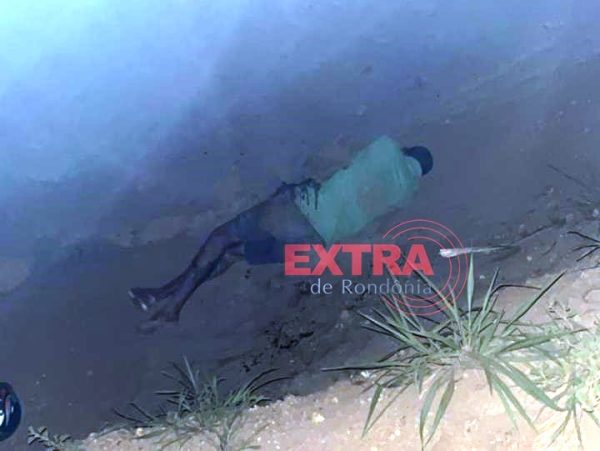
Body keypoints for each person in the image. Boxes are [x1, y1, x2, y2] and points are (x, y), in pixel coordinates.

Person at [129, 136, 433, 332]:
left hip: (298, 212)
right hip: (315, 248)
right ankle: (163, 294)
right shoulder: (405, 194)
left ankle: (172, 306)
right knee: (233, 255)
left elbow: (382, 149)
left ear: (409, 153)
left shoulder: (387, 150)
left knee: (221, 238)